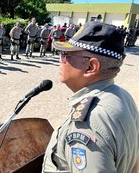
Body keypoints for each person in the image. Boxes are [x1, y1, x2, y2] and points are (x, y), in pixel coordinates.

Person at [42, 21, 139, 173]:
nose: (61, 60)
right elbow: (135, 161)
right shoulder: (122, 96)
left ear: (91, 67)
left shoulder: (89, 122)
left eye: (66, 55)